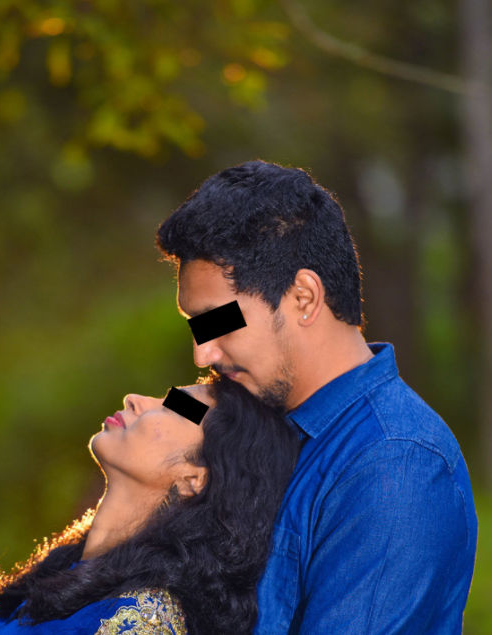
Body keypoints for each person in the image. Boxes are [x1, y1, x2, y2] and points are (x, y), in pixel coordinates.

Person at [156, 159, 478, 633]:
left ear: (304, 298)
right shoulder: (238, 411)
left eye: (217, 320)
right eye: (195, 325)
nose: (202, 353)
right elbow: (143, 426)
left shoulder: (395, 460)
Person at [0, 376, 301, 634]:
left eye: (176, 407)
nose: (135, 399)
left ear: (194, 478)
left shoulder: (142, 622)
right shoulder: (66, 573)